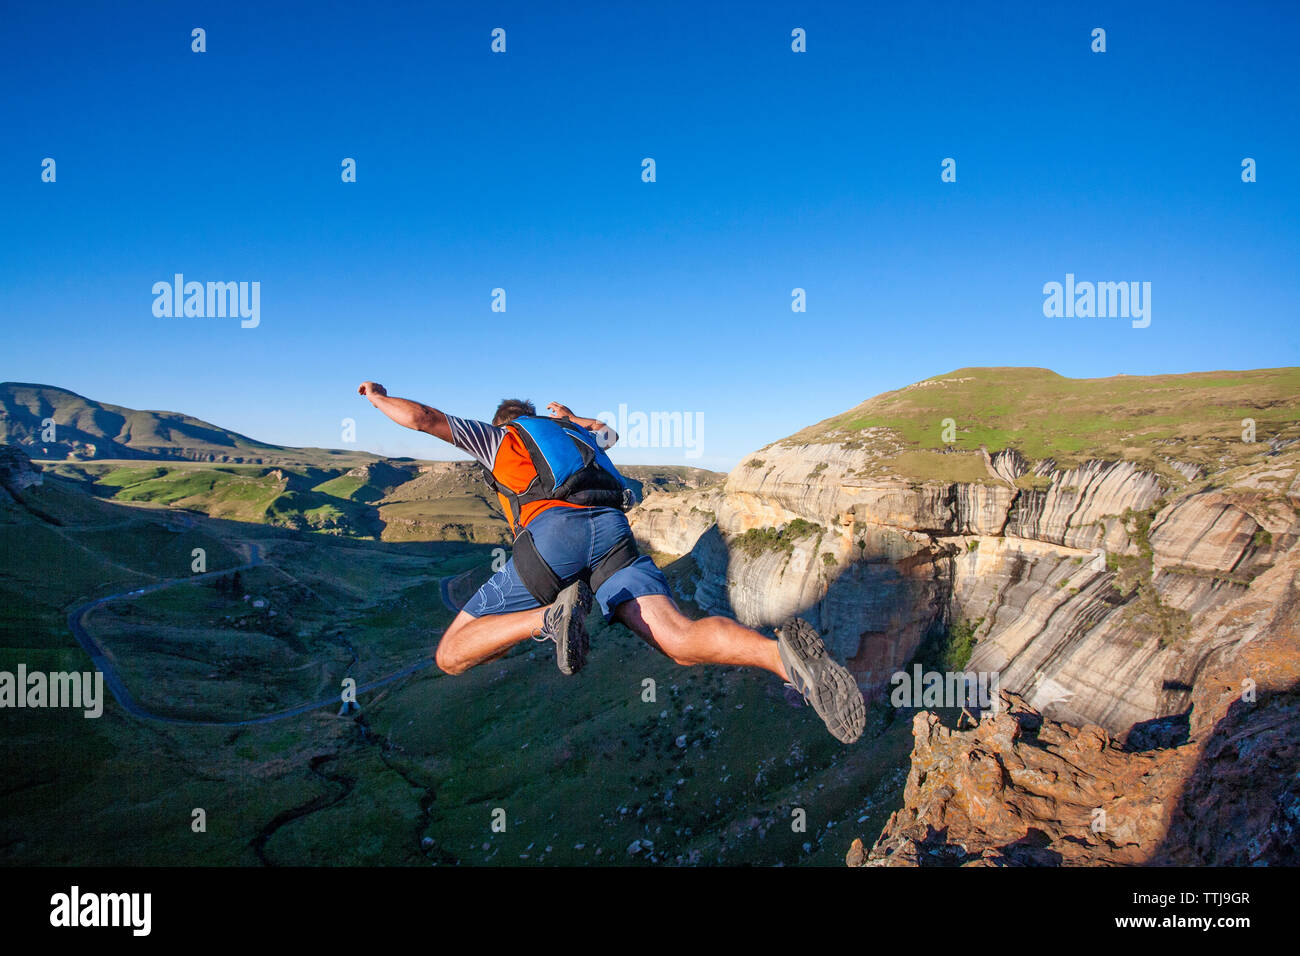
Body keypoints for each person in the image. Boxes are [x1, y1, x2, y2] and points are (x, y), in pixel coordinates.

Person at [356, 382, 866, 743]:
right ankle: (786, 663)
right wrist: (571, 416)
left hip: (554, 537)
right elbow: (609, 433)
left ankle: (546, 618)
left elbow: (424, 419)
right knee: (678, 639)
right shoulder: (579, 436)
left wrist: (377, 398)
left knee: (451, 655)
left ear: (503, 422)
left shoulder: (503, 437)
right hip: (614, 533)